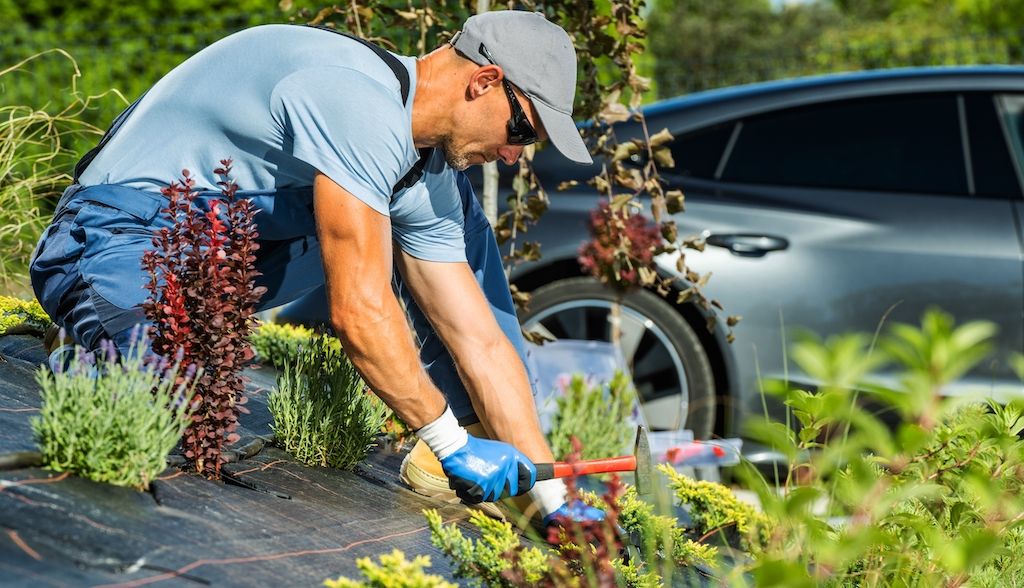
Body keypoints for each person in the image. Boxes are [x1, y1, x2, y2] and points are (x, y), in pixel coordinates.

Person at [30, 11, 603, 527]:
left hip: (215, 250)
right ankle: (94, 336)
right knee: (149, 393)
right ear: (484, 81)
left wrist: (554, 503)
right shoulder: (357, 101)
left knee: (451, 220)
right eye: (522, 131)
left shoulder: (422, 169)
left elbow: (479, 339)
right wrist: (448, 442)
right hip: (115, 229)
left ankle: (504, 465)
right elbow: (359, 310)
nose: (513, 155)